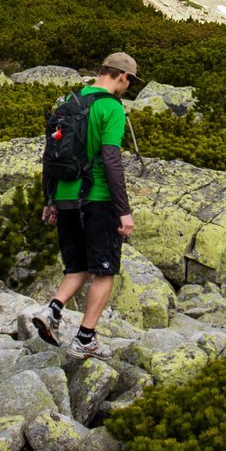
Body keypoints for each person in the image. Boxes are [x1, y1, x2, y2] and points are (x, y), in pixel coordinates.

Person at [31, 52, 138, 358]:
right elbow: (111, 160)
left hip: (65, 197)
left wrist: (49, 199)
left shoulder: (68, 103)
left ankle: (52, 310)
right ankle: (85, 338)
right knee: (104, 270)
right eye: (129, 82)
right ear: (122, 77)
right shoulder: (110, 108)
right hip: (97, 198)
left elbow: (49, 156)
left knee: (78, 266)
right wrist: (123, 210)